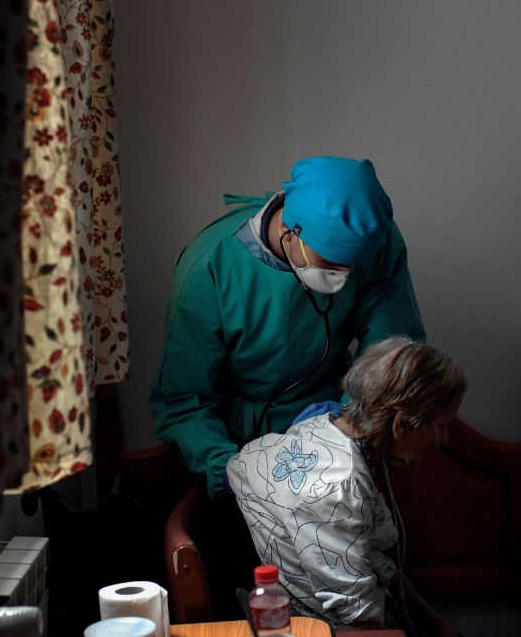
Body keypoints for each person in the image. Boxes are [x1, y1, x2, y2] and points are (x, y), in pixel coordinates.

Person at [150, 156, 425, 501]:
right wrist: (232, 474)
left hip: (336, 423)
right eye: (330, 262)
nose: (345, 276)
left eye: (354, 265)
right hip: (236, 441)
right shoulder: (210, 267)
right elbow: (183, 399)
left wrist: (349, 427)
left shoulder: (374, 239)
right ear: (288, 230)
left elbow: (391, 349)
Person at [226, 336, 473, 637]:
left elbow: (372, 561)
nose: (443, 439)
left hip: (367, 625)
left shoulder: (326, 428)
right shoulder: (335, 489)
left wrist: (437, 623)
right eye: (442, 425)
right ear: (402, 424)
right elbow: (361, 623)